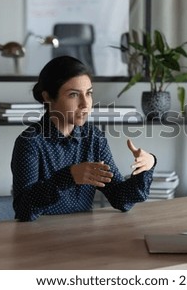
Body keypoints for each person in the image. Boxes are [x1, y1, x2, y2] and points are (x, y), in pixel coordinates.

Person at [11, 55, 156, 222]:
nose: (85, 104)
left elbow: (121, 199)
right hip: (38, 238)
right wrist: (69, 176)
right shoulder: (29, 142)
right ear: (48, 97)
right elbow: (23, 210)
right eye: (73, 95)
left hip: (84, 235)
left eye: (89, 93)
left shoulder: (94, 138)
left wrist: (147, 166)